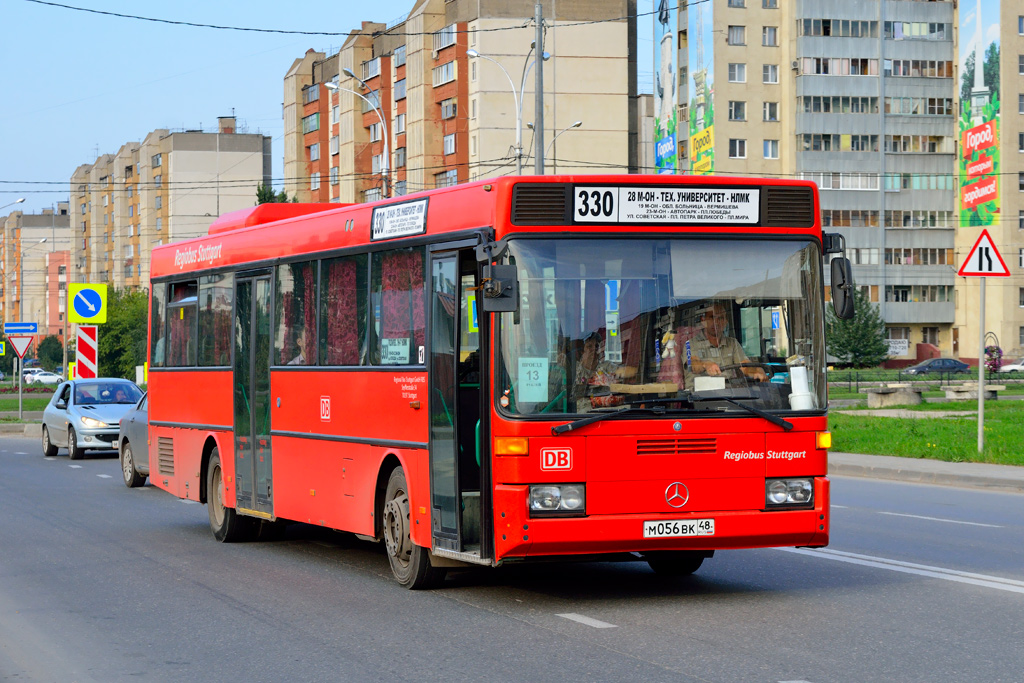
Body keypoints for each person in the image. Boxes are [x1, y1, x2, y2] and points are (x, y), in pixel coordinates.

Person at [684, 302, 765, 389]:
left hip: (727, 395)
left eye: (720, 318)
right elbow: (691, 364)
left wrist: (756, 371)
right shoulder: (691, 344)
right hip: (698, 396)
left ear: (726, 322)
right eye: (712, 318)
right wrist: (705, 364)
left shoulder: (732, 343)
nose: (716, 322)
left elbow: (744, 366)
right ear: (703, 321)